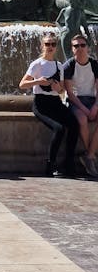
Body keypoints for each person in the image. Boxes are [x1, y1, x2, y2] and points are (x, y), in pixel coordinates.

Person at [20, 33, 79, 177]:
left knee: (74, 125)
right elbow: (22, 84)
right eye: (47, 44)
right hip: (41, 104)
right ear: (42, 46)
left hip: (55, 103)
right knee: (59, 129)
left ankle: (68, 163)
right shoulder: (37, 64)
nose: (50, 47)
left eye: (53, 44)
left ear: (56, 47)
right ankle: (50, 165)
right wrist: (38, 81)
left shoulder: (59, 66)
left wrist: (58, 88)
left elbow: (62, 90)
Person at [63, 34, 98, 176]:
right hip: (75, 101)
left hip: (92, 100)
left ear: (88, 48)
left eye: (82, 45)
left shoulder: (95, 65)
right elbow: (70, 93)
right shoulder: (69, 65)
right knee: (82, 119)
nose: (80, 48)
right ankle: (90, 156)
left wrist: (96, 106)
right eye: (76, 46)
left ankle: (89, 155)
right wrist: (84, 108)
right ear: (72, 49)